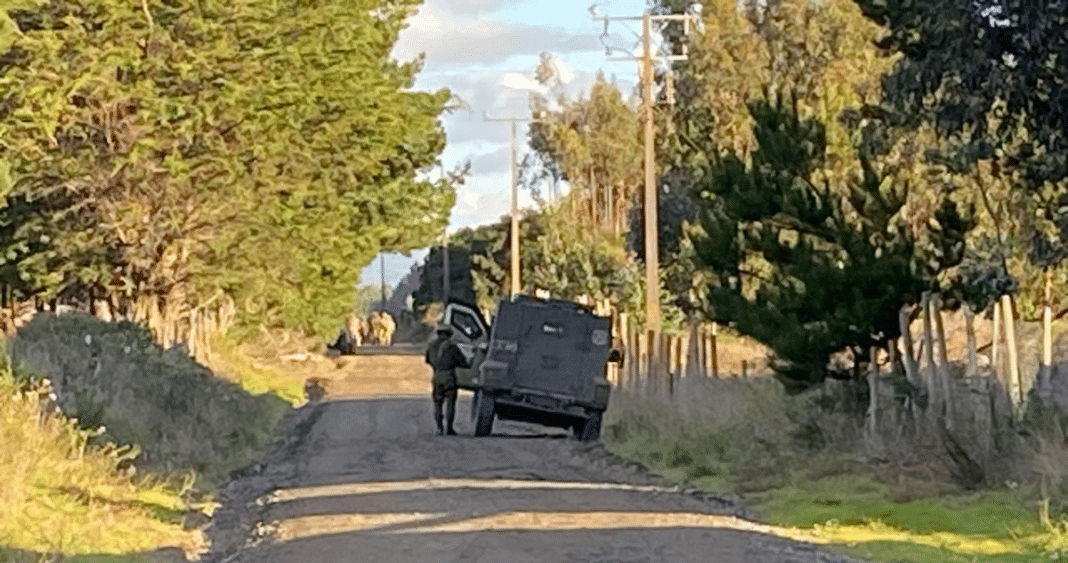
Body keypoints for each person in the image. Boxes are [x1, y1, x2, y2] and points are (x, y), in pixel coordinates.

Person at [424, 325, 468, 435]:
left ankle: (439, 428)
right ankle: (449, 428)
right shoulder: (452, 347)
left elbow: (427, 360)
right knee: (450, 402)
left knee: (437, 402)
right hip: (449, 377)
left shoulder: (431, 346)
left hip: (437, 377)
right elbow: (463, 362)